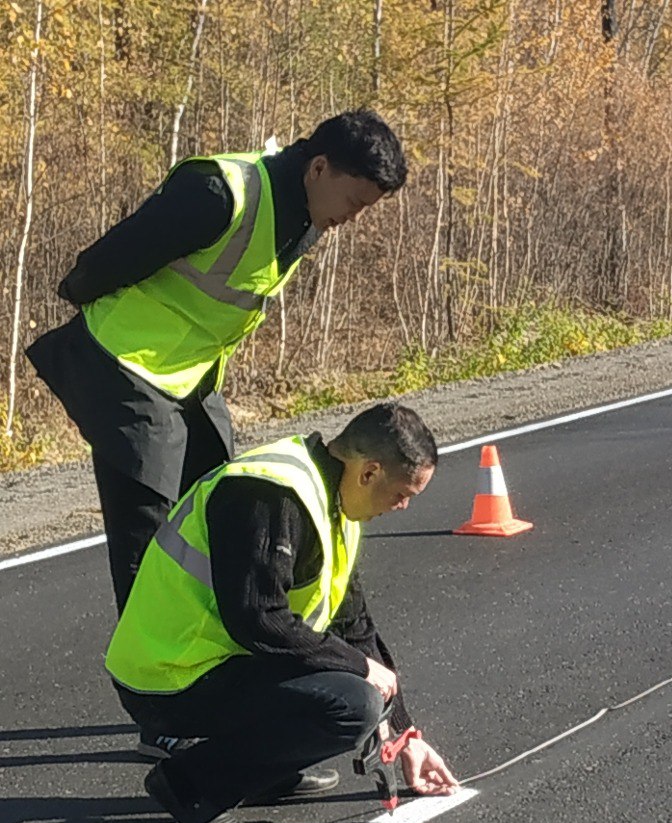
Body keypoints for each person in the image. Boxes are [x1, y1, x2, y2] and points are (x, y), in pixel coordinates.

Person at [27, 108, 406, 758]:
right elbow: (100, 266)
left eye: (367, 207)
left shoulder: (307, 217)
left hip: (190, 377)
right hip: (126, 363)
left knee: (226, 511)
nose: (354, 217)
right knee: (149, 538)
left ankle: (227, 684)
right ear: (319, 168)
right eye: (354, 199)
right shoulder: (219, 194)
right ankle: (158, 709)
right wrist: (101, 318)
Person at [103, 403, 459, 823]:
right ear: (369, 472)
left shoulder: (332, 503)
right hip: (168, 676)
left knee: (351, 682)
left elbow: (355, 626)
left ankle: (263, 773)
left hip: (218, 663)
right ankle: (190, 786)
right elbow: (257, 619)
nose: (403, 506)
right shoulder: (270, 494)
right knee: (352, 705)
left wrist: (407, 736)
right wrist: (362, 669)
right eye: (402, 493)